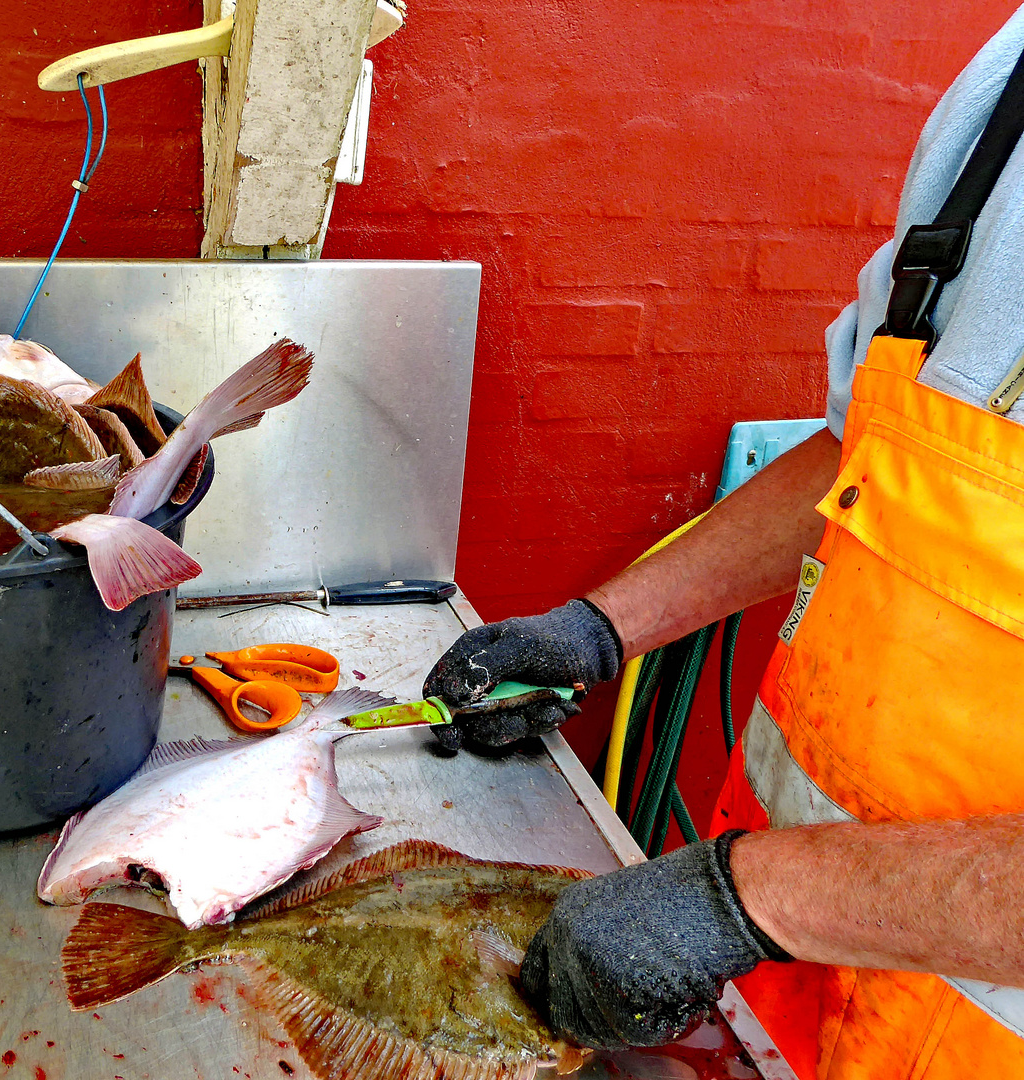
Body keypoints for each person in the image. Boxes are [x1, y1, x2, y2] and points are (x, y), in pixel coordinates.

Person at [424, 9, 1024, 1078]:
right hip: (781, 1004)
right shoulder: (1002, 93)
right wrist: (601, 629)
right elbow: (868, 455)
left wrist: (744, 898)